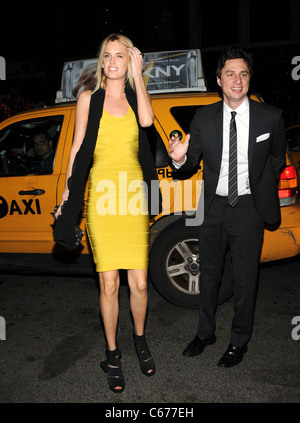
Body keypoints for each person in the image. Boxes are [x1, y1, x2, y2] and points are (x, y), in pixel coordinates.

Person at [53, 33, 160, 393]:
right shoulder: (88, 99)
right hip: (101, 194)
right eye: (107, 56)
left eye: (120, 56)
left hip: (132, 195)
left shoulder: (135, 97)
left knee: (141, 282)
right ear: (102, 62)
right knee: (109, 282)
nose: (112, 62)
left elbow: (147, 123)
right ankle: (113, 353)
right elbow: (78, 147)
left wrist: (140, 76)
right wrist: (69, 195)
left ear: (129, 60)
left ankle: (140, 341)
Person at [168, 46, 286, 367]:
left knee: (245, 279)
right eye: (230, 74)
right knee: (209, 275)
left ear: (249, 79)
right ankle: (205, 332)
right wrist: (178, 159)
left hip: (248, 208)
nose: (237, 80)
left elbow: (278, 156)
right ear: (219, 80)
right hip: (213, 206)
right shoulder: (204, 117)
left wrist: (261, 183)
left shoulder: (270, 116)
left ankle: (238, 341)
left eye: (243, 74)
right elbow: (190, 161)